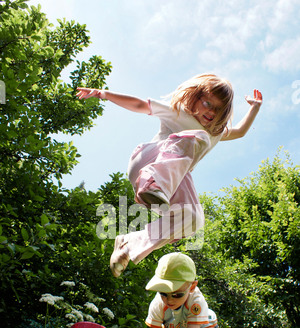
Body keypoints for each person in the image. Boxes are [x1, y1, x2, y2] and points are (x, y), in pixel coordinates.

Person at [76, 74, 262, 277]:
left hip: (172, 181)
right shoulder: (179, 112)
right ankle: (153, 182)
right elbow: (140, 105)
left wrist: (254, 107)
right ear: (195, 97)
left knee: (194, 219)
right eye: (207, 103)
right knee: (198, 137)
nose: (210, 111)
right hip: (148, 161)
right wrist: (103, 94)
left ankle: (129, 243)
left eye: (217, 109)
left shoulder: (215, 133)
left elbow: (240, 131)